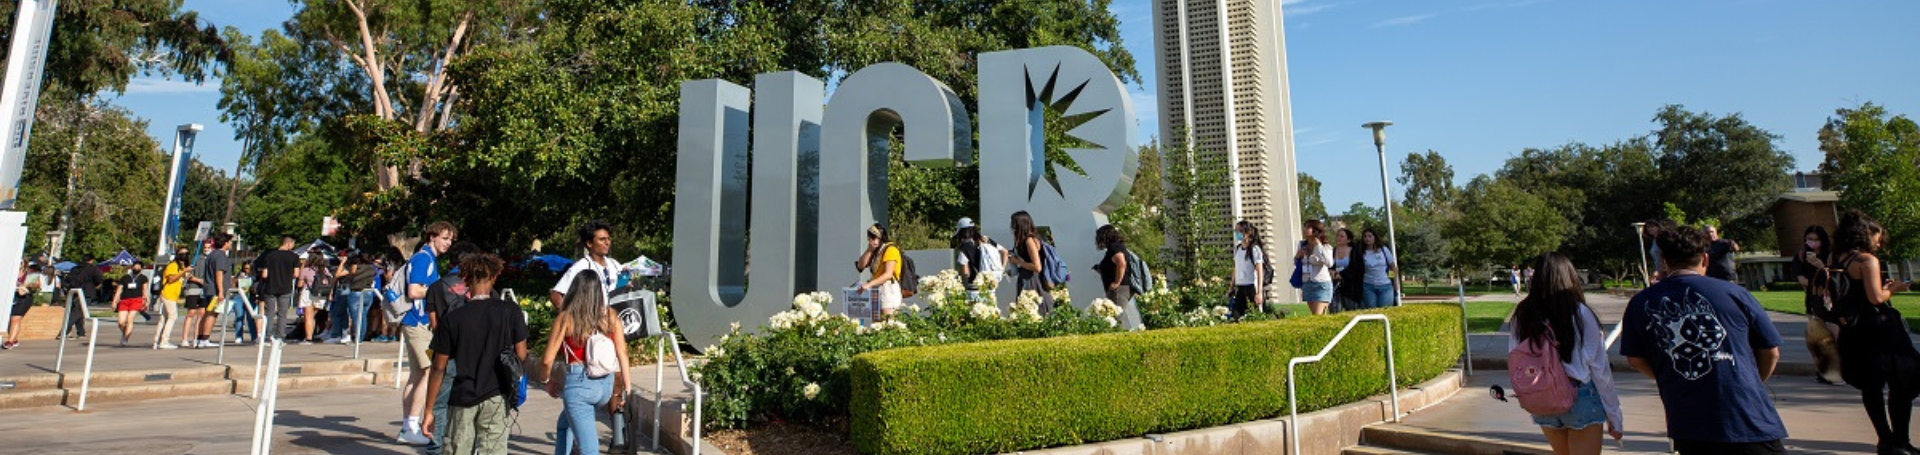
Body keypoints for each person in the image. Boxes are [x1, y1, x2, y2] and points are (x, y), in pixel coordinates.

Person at [1621, 225, 1787, 455]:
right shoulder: (1735, 293)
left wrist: (1669, 375)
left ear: (1664, 261)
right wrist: (1753, 380)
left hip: (1687, 420)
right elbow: (1770, 351)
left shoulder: (1641, 303)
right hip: (1746, 415)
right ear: (1705, 259)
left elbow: (1635, 359)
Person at [1510, 252, 1623, 455]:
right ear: (1569, 276)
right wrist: (1614, 414)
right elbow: (1600, 369)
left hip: (1542, 397)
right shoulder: (1580, 313)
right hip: (1580, 394)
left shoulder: (1523, 314)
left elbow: (1515, 356)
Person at [1828, 210, 1920, 455]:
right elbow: (1876, 298)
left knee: (1872, 387)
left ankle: (1885, 440)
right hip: (1879, 331)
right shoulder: (1866, 260)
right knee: (1903, 381)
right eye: (1877, 238)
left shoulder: (1839, 258)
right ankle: (1900, 441)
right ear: (1865, 234)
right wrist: (1895, 288)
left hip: (1854, 331)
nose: (1878, 244)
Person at [421, 253, 526, 455]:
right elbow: (520, 354)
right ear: (494, 277)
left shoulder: (453, 318)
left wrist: (429, 410)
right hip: (497, 394)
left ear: (465, 279)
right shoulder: (510, 311)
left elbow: (438, 367)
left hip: (462, 396)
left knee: (457, 448)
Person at [541, 270, 633, 455]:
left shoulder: (566, 318)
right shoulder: (610, 316)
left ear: (574, 290)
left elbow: (547, 360)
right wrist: (627, 388)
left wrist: (546, 381)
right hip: (605, 387)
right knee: (565, 424)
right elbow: (622, 353)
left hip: (579, 388)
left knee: (589, 449)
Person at [398, 221, 456, 446]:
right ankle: (412, 425)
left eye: (450, 239)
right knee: (427, 372)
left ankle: (408, 426)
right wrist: (439, 290)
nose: (448, 243)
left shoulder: (427, 258)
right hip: (418, 321)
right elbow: (414, 290)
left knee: (417, 375)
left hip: (415, 322)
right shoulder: (423, 258)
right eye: (444, 238)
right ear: (432, 236)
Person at [1793, 225, 1843, 385]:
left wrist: (1821, 267)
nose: (1813, 243)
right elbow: (1802, 280)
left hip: (1831, 299)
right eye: (1809, 239)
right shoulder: (1801, 257)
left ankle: (1839, 370)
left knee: (1835, 335)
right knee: (1817, 338)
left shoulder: (1832, 255)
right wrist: (1815, 282)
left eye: (1816, 239)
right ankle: (1824, 371)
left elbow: (1836, 278)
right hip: (1813, 300)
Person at [550, 220, 623, 310]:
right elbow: (555, 295)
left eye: (608, 239)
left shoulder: (614, 264)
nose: (607, 242)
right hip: (592, 317)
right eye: (602, 239)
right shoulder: (581, 267)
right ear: (589, 243)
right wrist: (569, 316)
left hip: (615, 316)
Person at [255, 237, 302, 343]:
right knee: (282, 313)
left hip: (270, 286)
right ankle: (280, 336)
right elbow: (296, 274)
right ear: (289, 244)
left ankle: (268, 335)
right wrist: (287, 276)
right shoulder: (294, 257)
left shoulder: (270, 256)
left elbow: (264, 274)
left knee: (269, 312)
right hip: (285, 287)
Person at [1005, 211, 1054, 313]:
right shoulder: (1027, 240)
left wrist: (1017, 261)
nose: (1012, 227)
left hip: (1031, 281)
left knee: (1032, 310)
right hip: (1028, 278)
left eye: (1014, 223)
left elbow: (1037, 267)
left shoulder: (1029, 241)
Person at [853, 223, 904, 318]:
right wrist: (869, 250)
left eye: (874, 237)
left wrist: (869, 284)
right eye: (869, 238)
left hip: (888, 289)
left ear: (881, 237)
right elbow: (860, 266)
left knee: (888, 321)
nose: (871, 240)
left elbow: (888, 274)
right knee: (876, 323)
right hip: (876, 289)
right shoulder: (876, 251)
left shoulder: (890, 249)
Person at [326, 253, 377, 344]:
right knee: (363, 316)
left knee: (356, 317)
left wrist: (343, 263)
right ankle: (360, 338)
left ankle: (357, 338)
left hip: (356, 292)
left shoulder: (355, 267)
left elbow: (340, 274)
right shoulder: (371, 268)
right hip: (368, 292)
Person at [198, 235, 235, 347]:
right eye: (230, 242)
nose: (231, 244)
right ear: (225, 243)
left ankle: (200, 338)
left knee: (207, 313)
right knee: (212, 314)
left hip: (208, 288)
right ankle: (205, 339)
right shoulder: (220, 256)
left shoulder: (211, 255)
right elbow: (219, 273)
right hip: (215, 289)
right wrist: (221, 291)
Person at [6, 264, 48, 349]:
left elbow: (38, 285)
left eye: (21, 263)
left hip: (24, 297)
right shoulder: (9, 272)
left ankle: (10, 341)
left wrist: (26, 285)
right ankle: (14, 338)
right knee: (9, 320)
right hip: (10, 297)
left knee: (15, 318)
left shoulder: (31, 274)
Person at [1295, 220, 1333, 315]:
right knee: (1314, 316)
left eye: (1308, 227)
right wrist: (1298, 257)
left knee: (1318, 315)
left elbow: (1329, 263)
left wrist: (1318, 246)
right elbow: (1297, 263)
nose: (1305, 230)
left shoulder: (1325, 246)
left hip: (1321, 284)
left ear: (1316, 231)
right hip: (1307, 283)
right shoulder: (1302, 245)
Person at [1230, 220, 1266, 318]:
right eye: (1236, 231)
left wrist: (1259, 292)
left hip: (1251, 286)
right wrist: (1231, 286)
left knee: (1254, 314)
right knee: (1236, 315)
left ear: (1248, 232)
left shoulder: (1254, 249)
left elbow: (1260, 271)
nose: (1237, 233)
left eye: (1240, 231)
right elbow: (1235, 268)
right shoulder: (1237, 249)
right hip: (1240, 286)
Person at [112, 262, 151, 347]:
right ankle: (125, 332)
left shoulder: (143, 278)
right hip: (124, 300)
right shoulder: (125, 278)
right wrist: (114, 301)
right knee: (121, 322)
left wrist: (147, 300)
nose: (136, 269)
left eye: (138, 267)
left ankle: (125, 338)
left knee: (130, 319)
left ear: (141, 269)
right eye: (135, 267)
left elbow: (145, 290)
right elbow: (119, 290)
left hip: (136, 300)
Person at [153, 250, 185, 350]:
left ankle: (157, 341)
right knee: (173, 316)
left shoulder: (181, 267)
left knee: (163, 318)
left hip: (172, 295)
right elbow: (171, 279)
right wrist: (183, 272)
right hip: (168, 294)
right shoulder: (173, 265)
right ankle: (164, 341)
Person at [62, 257, 102, 339]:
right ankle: (63, 331)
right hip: (87, 292)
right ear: (91, 260)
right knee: (78, 312)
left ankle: (81, 332)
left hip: (74, 291)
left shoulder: (75, 269)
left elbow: (68, 280)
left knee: (78, 311)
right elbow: (99, 279)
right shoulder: (93, 269)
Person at [1358, 228, 1398, 309]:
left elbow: (1392, 267)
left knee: (1385, 309)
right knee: (1372, 310)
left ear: (1375, 237)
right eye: (1365, 236)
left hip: (1385, 285)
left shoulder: (1383, 250)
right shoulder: (1361, 252)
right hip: (1368, 285)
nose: (1367, 238)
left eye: (1370, 236)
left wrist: (1394, 282)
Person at [299, 255, 334, 344]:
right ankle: (311, 335)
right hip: (321, 295)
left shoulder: (306, 270)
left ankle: (308, 338)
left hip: (308, 293)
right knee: (312, 316)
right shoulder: (325, 270)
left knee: (308, 317)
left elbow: (299, 284)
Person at [1094, 224, 1131, 306]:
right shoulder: (1116, 247)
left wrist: (1116, 282)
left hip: (1118, 290)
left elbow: (1121, 263)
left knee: (1116, 312)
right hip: (1119, 289)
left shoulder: (1115, 248)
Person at [954, 218, 983, 297]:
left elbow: (966, 272)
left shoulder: (964, 248)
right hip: (986, 285)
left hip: (974, 287)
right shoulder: (982, 243)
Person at [1331, 228, 1356, 313]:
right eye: (1337, 236)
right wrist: (1331, 271)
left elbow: (1356, 267)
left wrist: (1342, 274)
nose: (1338, 238)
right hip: (1335, 284)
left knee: (1351, 310)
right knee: (1335, 310)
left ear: (1348, 240)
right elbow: (1329, 265)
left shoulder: (1354, 251)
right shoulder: (1332, 251)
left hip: (1350, 286)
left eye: (1341, 236)